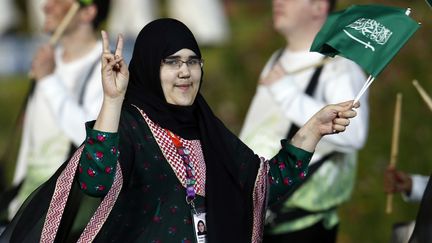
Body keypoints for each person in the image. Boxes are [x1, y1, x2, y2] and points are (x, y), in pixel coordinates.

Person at [0, 18, 359, 243]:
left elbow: (263, 185)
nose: (185, 72)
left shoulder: (208, 129)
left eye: (192, 61)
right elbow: (95, 181)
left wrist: (313, 130)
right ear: (149, 68)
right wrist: (112, 100)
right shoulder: (129, 125)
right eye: (171, 62)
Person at [239, 0, 369, 242]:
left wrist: (288, 93)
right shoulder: (276, 58)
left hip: (301, 227)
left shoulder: (339, 67)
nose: (278, 1)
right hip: (255, 216)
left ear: (319, 6)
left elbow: (355, 135)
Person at [8, 0, 110, 217]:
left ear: (88, 12)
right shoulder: (47, 62)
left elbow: (94, 139)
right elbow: (31, 142)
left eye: (58, 0)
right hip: (27, 208)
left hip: (66, 216)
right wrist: (15, 202)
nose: (46, 7)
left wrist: (48, 80)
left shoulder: (106, 69)